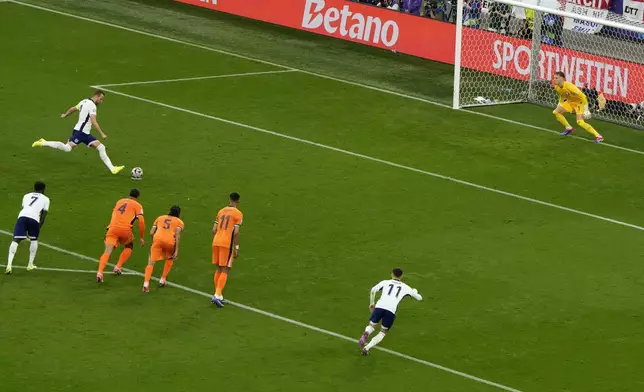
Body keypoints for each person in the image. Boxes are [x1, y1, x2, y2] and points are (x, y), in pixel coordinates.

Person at [31, 90, 124, 174]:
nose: (101, 102)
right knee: (67, 148)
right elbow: (94, 121)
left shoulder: (83, 101)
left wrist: (65, 115)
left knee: (101, 147)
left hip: (84, 133)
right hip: (81, 133)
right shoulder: (92, 106)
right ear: (96, 96)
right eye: (101, 99)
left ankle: (112, 169)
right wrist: (102, 133)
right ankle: (43, 142)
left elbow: (72, 109)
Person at [359, 268, 423, 355]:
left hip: (379, 307)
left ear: (392, 274)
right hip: (391, 311)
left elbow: (373, 290)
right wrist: (415, 291)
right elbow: (419, 298)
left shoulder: (385, 282)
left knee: (372, 325)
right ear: (402, 276)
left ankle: (367, 333)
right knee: (383, 332)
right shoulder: (405, 287)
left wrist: (372, 303)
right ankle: (367, 348)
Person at [96, 189, 145, 283]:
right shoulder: (137, 205)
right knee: (129, 246)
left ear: (129, 195)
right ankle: (118, 267)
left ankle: (99, 273)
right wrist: (142, 237)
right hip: (125, 230)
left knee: (107, 251)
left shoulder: (120, 201)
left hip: (112, 228)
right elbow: (141, 222)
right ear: (138, 197)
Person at [6, 182, 50, 275]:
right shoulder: (46, 199)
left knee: (16, 239)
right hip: (34, 219)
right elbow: (43, 215)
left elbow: (24, 207)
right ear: (43, 189)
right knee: (34, 240)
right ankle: (30, 264)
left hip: (22, 217)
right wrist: (38, 226)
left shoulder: (26, 196)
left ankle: (9, 265)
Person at [210, 192, 243, 308]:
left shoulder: (221, 211)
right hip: (226, 243)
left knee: (218, 268)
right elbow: (236, 232)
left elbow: (214, 229)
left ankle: (219, 295)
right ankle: (217, 294)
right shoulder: (238, 214)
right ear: (238, 201)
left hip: (216, 241)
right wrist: (236, 247)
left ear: (229, 199)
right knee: (226, 268)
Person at [552, 71, 604, 143]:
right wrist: (560, 104)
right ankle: (568, 128)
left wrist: (586, 110)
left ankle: (598, 136)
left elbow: (583, 96)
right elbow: (562, 95)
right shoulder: (557, 87)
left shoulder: (570, 86)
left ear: (562, 78)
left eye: (556, 78)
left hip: (579, 103)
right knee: (556, 112)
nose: (554, 79)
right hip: (570, 103)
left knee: (580, 122)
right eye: (554, 78)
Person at [142, 206, 184, 292]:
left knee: (151, 262)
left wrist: (155, 240)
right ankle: (163, 279)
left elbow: (151, 232)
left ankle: (146, 284)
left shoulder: (160, 218)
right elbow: (177, 235)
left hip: (157, 240)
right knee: (170, 258)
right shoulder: (180, 222)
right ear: (179, 213)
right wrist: (176, 250)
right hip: (170, 241)